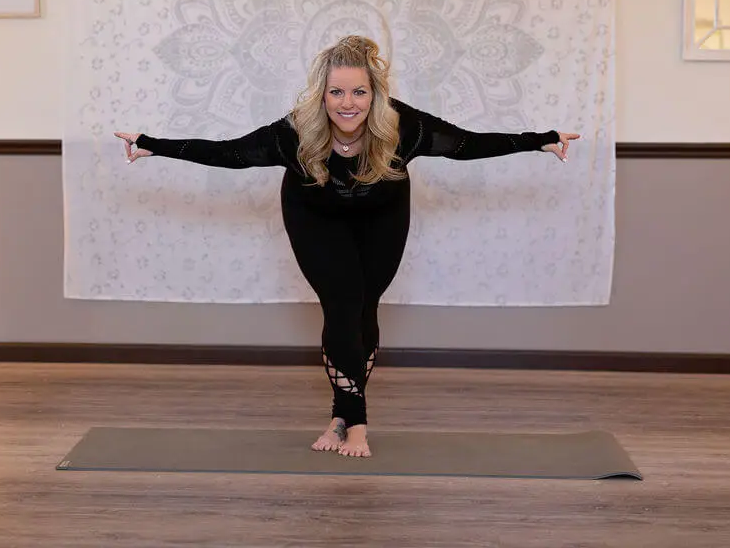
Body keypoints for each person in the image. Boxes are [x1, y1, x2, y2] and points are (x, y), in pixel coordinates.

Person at [115, 35, 579, 458]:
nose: (347, 102)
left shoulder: (403, 126)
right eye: (337, 92)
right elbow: (228, 153)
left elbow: (467, 145)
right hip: (313, 216)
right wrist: (153, 144)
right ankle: (356, 424)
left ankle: (340, 413)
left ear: (374, 94)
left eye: (358, 91)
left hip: (383, 215)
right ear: (322, 95)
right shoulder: (295, 132)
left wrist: (541, 140)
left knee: (365, 307)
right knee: (342, 304)